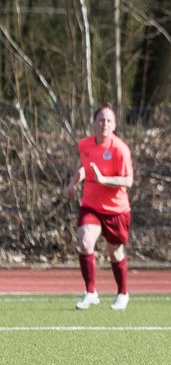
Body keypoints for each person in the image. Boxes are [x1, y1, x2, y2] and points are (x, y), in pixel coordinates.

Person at [65, 104, 134, 311]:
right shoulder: (84, 145)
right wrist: (73, 183)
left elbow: (128, 181)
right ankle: (90, 292)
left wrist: (104, 179)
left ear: (115, 125)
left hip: (116, 209)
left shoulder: (119, 149)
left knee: (115, 253)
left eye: (109, 121)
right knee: (85, 241)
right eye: (101, 120)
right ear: (94, 123)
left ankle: (122, 293)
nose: (105, 124)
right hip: (91, 206)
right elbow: (86, 168)